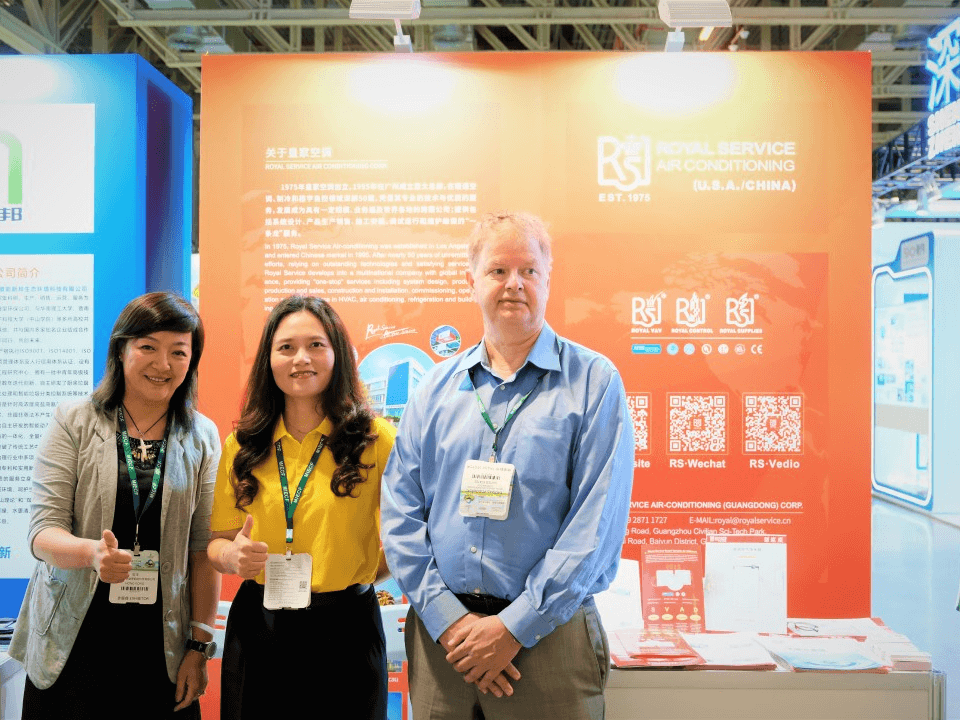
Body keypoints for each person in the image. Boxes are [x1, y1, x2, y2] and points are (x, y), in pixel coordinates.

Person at [381, 211, 634, 720]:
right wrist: (451, 621)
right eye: (498, 270)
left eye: (528, 270)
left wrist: (514, 627)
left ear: (548, 278)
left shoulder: (594, 382)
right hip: (443, 646)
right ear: (471, 279)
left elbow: (595, 526)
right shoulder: (434, 389)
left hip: (549, 640)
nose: (514, 283)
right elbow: (400, 514)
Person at [10, 292, 222, 720]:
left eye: (179, 352)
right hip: (74, 640)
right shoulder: (74, 420)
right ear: (121, 350)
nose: (163, 364)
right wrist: (92, 554)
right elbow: (42, 533)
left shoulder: (202, 435)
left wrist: (199, 646)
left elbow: (202, 550)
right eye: (148, 347)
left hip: (161, 645)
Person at [207, 295, 395, 720]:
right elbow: (217, 543)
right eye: (286, 347)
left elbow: (408, 536)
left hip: (347, 629)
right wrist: (232, 556)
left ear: (337, 354)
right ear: (269, 360)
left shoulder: (375, 439)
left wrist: (362, 573)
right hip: (261, 627)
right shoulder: (243, 445)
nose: (301, 359)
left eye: (315, 345)